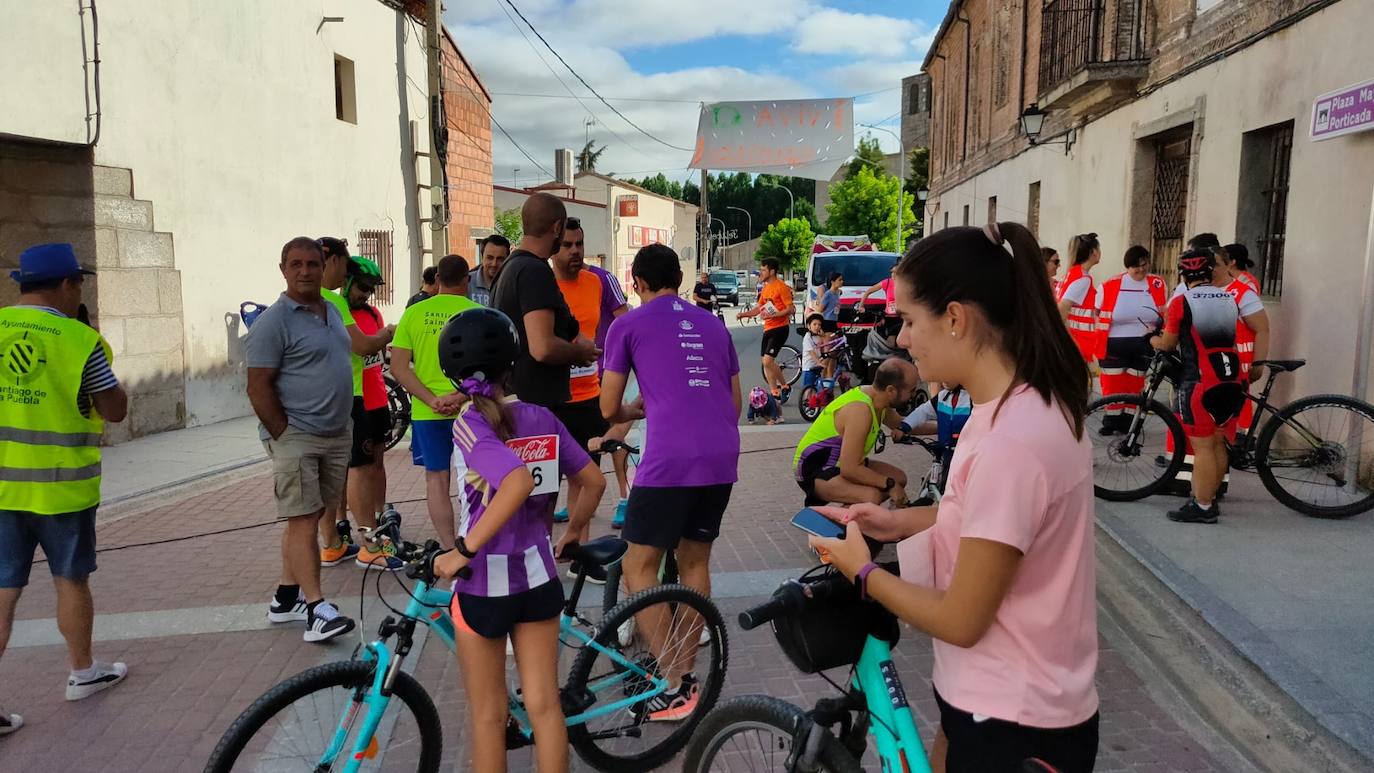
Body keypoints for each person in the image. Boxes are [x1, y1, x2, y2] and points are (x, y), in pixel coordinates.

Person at [811, 222, 1099, 773]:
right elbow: (994, 519)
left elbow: (964, 618)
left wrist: (863, 573)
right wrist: (897, 524)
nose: (902, 339)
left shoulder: (1013, 441)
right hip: (1001, 696)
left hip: (1013, 720)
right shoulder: (1020, 408)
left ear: (955, 318)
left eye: (911, 320)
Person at [432, 307, 605, 773]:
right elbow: (593, 481)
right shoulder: (541, 417)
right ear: (513, 363)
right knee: (545, 708)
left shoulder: (471, 422)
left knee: (489, 717)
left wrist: (461, 551)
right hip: (538, 579)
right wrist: (569, 533)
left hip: (481, 585)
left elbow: (514, 482)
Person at [601, 243, 741, 721]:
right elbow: (734, 403)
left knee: (639, 565)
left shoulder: (626, 324)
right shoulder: (714, 324)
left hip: (669, 460)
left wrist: (634, 411)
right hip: (721, 454)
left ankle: (673, 682)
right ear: (679, 280)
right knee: (695, 560)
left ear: (637, 282)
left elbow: (607, 408)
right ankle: (685, 677)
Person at [0, 243, 130, 734]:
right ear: (68, 285)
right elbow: (113, 409)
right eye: (80, 283)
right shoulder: (78, 340)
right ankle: (82, 674)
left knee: (2, 590)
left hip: (1, 489)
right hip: (61, 488)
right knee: (70, 580)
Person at [246, 237, 356, 643]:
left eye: (312, 263)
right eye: (296, 264)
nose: (305, 271)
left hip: (334, 432)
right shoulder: (273, 322)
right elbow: (257, 386)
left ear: (324, 266)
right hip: (297, 436)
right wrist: (284, 433)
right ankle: (316, 609)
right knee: (303, 518)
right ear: (283, 269)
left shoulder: (330, 311)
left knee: (307, 518)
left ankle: (285, 598)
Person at [1150, 249, 1248, 524]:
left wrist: (1152, 340)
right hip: (1229, 378)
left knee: (1203, 447)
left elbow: (1168, 344)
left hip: (1199, 382)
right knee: (1217, 443)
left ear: (1183, 274)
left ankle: (1202, 507)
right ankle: (1210, 498)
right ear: (1209, 271)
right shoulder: (1230, 297)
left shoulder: (1182, 301)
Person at [391, 254, 481, 548]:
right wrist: (460, 395)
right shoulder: (478, 312)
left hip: (428, 413)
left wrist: (432, 399)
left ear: (437, 280)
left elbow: (399, 368)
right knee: (478, 479)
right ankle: (474, 540)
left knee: (437, 480)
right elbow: (490, 368)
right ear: (466, 280)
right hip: (471, 410)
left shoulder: (414, 314)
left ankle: (446, 546)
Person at [315, 237, 394, 566]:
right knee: (359, 471)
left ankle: (332, 544)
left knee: (330, 474)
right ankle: (371, 546)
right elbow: (361, 346)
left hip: (323, 399)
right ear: (333, 264)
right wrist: (387, 335)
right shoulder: (333, 301)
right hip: (346, 396)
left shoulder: (300, 301)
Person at [491, 193, 600, 414]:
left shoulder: (508, 268)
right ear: (557, 227)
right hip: (537, 405)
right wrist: (579, 353)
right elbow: (542, 347)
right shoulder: (534, 271)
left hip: (514, 398)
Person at [547, 217, 612, 577]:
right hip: (552, 398)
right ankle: (541, 556)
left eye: (579, 244)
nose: (574, 251)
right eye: (567, 244)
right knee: (543, 485)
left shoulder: (594, 282)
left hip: (589, 395)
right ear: (554, 248)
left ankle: (578, 557)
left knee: (585, 479)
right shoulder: (543, 285)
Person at [338, 257, 401, 570]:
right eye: (363, 287)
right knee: (351, 469)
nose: (367, 294)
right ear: (347, 282)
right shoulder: (339, 312)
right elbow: (364, 346)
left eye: (371, 289)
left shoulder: (372, 312)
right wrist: (385, 336)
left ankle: (378, 516)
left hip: (376, 397)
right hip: (353, 399)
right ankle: (346, 527)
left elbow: (378, 352)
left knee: (376, 464)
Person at [792, 358, 918, 507]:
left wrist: (944, 423)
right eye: (911, 390)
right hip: (816, 468)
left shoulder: (878, 400)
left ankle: (847, 514)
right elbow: (850, 469)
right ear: (891, 390)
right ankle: (834, 524)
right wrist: (889, 485)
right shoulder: (861, 411)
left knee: (899, 478)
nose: (914, 395)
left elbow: (905, 424)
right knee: (871, 497)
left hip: (840, 463)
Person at [1094, 245, 1167, 435]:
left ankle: (1129, 421)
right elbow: (1096, 312)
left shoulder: (1158, 284)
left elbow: (1165, 311)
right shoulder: (1110, 285)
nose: (1141, 269)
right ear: (1127, 266)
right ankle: (1111, 420)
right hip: (1114, 343)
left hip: (1144, 343)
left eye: (1145, 264)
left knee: (1135, 383)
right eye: (1137, 266)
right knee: (1113, 383)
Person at [737, 257, 794, 401]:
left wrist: (776, 315)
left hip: (780, 328)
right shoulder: (766, 288)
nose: (760, 273)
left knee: (768, 361)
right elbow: (758, 309)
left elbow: (791, 309)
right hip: (768, 328)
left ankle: (781, 387)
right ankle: (777, 391)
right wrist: (743, 314)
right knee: (766, 362)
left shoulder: (782, 287)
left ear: (772, 271)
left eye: (763, 270)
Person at [1056, 232, 1102, 363]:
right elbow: (1061, 311)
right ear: (1094, 252)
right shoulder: (1083, 279)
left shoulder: (1070, 274)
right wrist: (1071, 342)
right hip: (1076, 347)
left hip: (1072, 346)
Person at [859, 264, 902, 343]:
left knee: (901, 341)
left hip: (901, 316)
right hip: (890, 317)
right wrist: (861, 305)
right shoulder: (887, 282)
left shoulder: (905, 284)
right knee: (891, 340)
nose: (893, 275)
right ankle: (890, 354)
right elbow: (868, 291)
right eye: (892, 272)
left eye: (896, 272)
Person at [469, 234, 511, 307]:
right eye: (490, 258)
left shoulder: (513, 284)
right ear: (482, 257)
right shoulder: (466, 283)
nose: (494, 264)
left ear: (507, 259)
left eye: (500, 259)